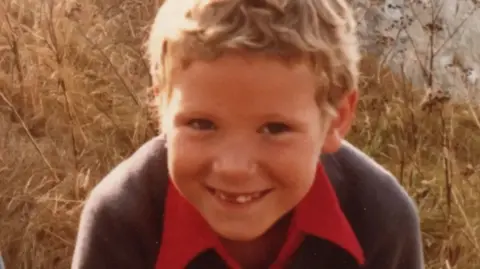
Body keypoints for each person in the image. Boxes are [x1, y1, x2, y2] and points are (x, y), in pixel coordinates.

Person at [71, 0, 424, 268]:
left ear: (336, 119)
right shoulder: (123, 221)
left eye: (275, 128)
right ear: (161, 107)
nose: (234, 167)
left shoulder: (379, 220)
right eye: (202, 124)